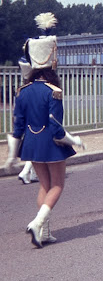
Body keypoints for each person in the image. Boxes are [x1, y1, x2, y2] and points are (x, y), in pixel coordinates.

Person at [5, 13, 83, 247]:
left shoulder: (23, 91)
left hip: (31, 143)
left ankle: (44, 232)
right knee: (58, 185)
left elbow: (17, 126)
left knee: (44, 186)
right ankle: (37, 223)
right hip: (51, 143)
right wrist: (74, 140)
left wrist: (11, 155)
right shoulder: (53, 91)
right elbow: (57, 128)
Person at [16, 56, 39, 185]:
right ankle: (25, 171)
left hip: (28, 122)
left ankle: (34, 174)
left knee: (35, 149)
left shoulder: (22, 90)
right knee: (37, 149)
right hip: (36, 122)